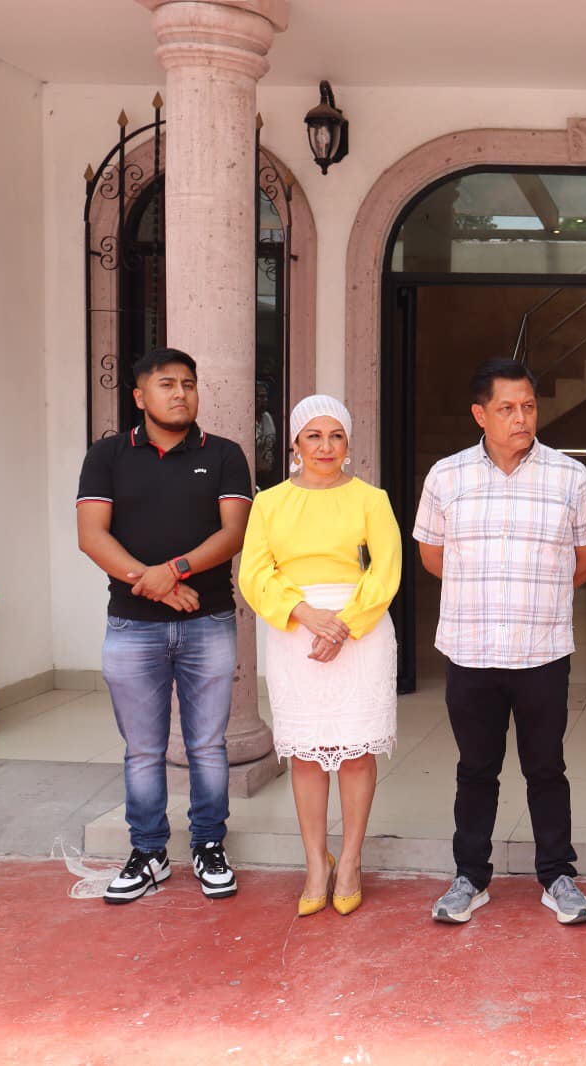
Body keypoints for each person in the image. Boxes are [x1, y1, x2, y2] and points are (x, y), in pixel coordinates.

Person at [415, 359, 586, 926]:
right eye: (506, 408)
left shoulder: (570, 477)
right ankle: (470, 877)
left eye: (528, 406)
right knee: (476, 769)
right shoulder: (446, 476)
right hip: (469, 650)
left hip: (541, 651)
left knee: (546, 767)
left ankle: (558, 875)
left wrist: (538, 589)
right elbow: (432, 555)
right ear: (480, 414)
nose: (521, 417)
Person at [75, 348, 252, 904]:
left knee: (206, 744)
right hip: (132, 626)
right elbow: (91, 535)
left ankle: (208, 845)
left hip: (209, 622)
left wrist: (172, 570)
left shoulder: (223, 454)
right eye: (167, 384)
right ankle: (149, 851)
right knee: (143, 750)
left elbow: (234, 533)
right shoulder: (107, 456)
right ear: (139, 396)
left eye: (189, 384)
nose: (180, 393)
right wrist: (147, 581)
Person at [238, 395, 401, 917]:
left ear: (348, 444)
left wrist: (345, 626)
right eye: (313, 436)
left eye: (335, 436)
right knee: (307, 754)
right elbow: (256, 573)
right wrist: (306, 615)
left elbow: (386, 570)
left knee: (355, 751)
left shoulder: (371, 499)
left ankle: (350, 860)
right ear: (295, 443)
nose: (324, 447)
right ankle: (315, 861)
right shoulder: (269, 503)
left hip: (360, 633)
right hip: (296, 633)